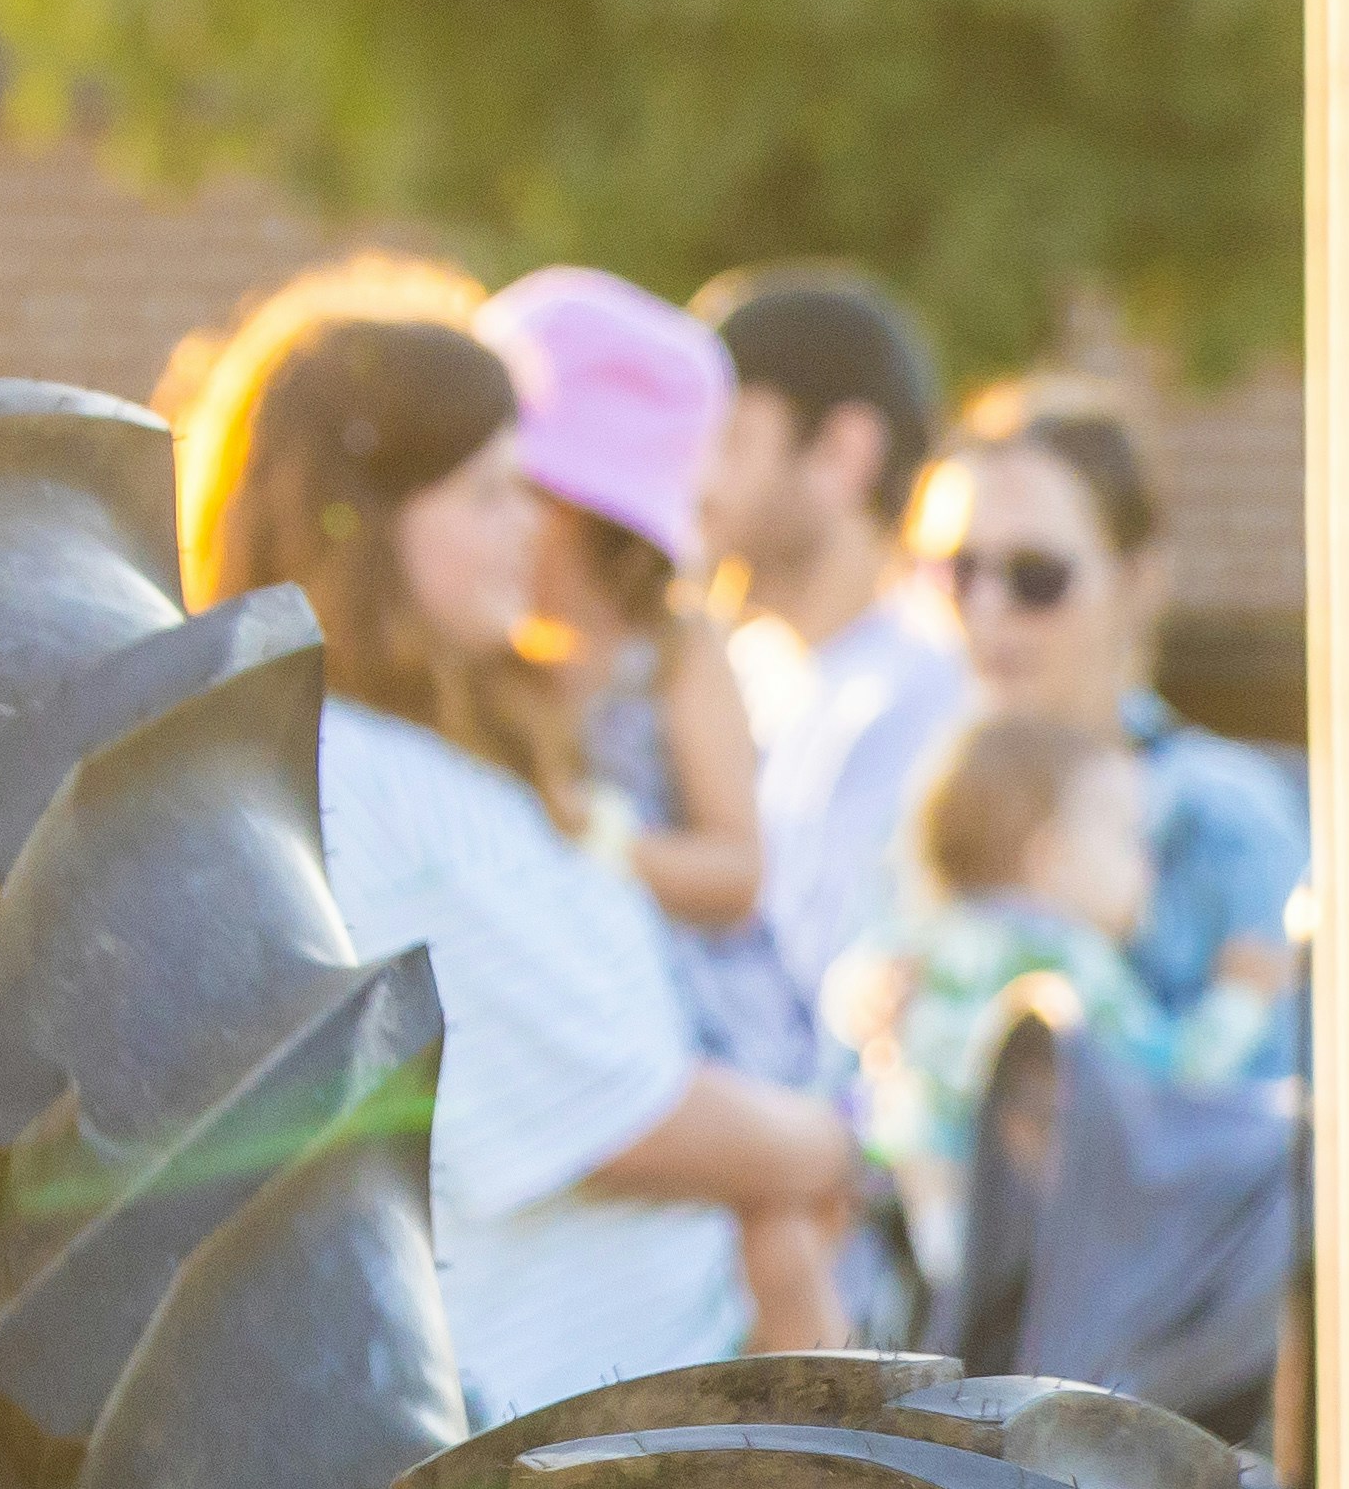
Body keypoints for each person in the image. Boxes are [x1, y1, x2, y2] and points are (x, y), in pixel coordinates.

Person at [172, 260, 869, 1402]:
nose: (524, 529)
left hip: (647, 1418)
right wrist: (844, 1147)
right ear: (367, 517)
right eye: (489, 493)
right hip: (570, 1468)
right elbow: (621, 1115)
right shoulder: (363, 778)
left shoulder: (436, 753)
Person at [918, 379, 1309, 1040]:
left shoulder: (1222, 817)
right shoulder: (921, 797)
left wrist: (1138, 932)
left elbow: (1264, 1107)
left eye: (1035, 576)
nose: (985, 611)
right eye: (955, 572)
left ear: (1137, 581)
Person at [479, 267, 789, 1081]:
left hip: (693, 1016)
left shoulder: (677, 651)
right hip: (549, 1008)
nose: (503, 521)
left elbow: (739, 869)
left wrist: (593, 839)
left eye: (521, 494)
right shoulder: (487, 655)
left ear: (587, 514)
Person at [698, 263, 971, 1085]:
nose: (696, 480)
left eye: (730, 439)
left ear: (843, 451)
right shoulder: (739, 678)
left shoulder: (927, 702)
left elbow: (818, 1012)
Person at [850, 710, 1280, 1204]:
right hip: (1021, 1211)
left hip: (906, 1173)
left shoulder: (928, 938)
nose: (1148, 867)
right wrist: (1243, 1000)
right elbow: (1167, 1081)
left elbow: (858, 1005)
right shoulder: (1066, 963)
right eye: (1128, 840)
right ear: (1052, 859)